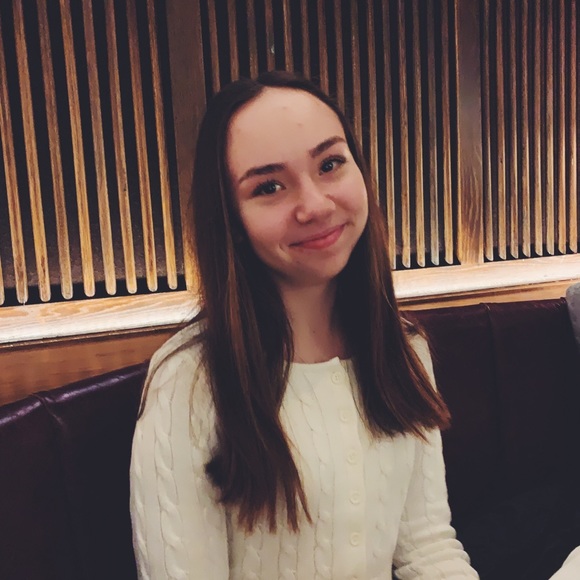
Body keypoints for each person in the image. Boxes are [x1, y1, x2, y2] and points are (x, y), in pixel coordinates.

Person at [130, 70, 478, 579]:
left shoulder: (403, 348)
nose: (314, 205)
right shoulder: (190, 382)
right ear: (232, 220)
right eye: (269, 186)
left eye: (330, 164)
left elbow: (426, 548)